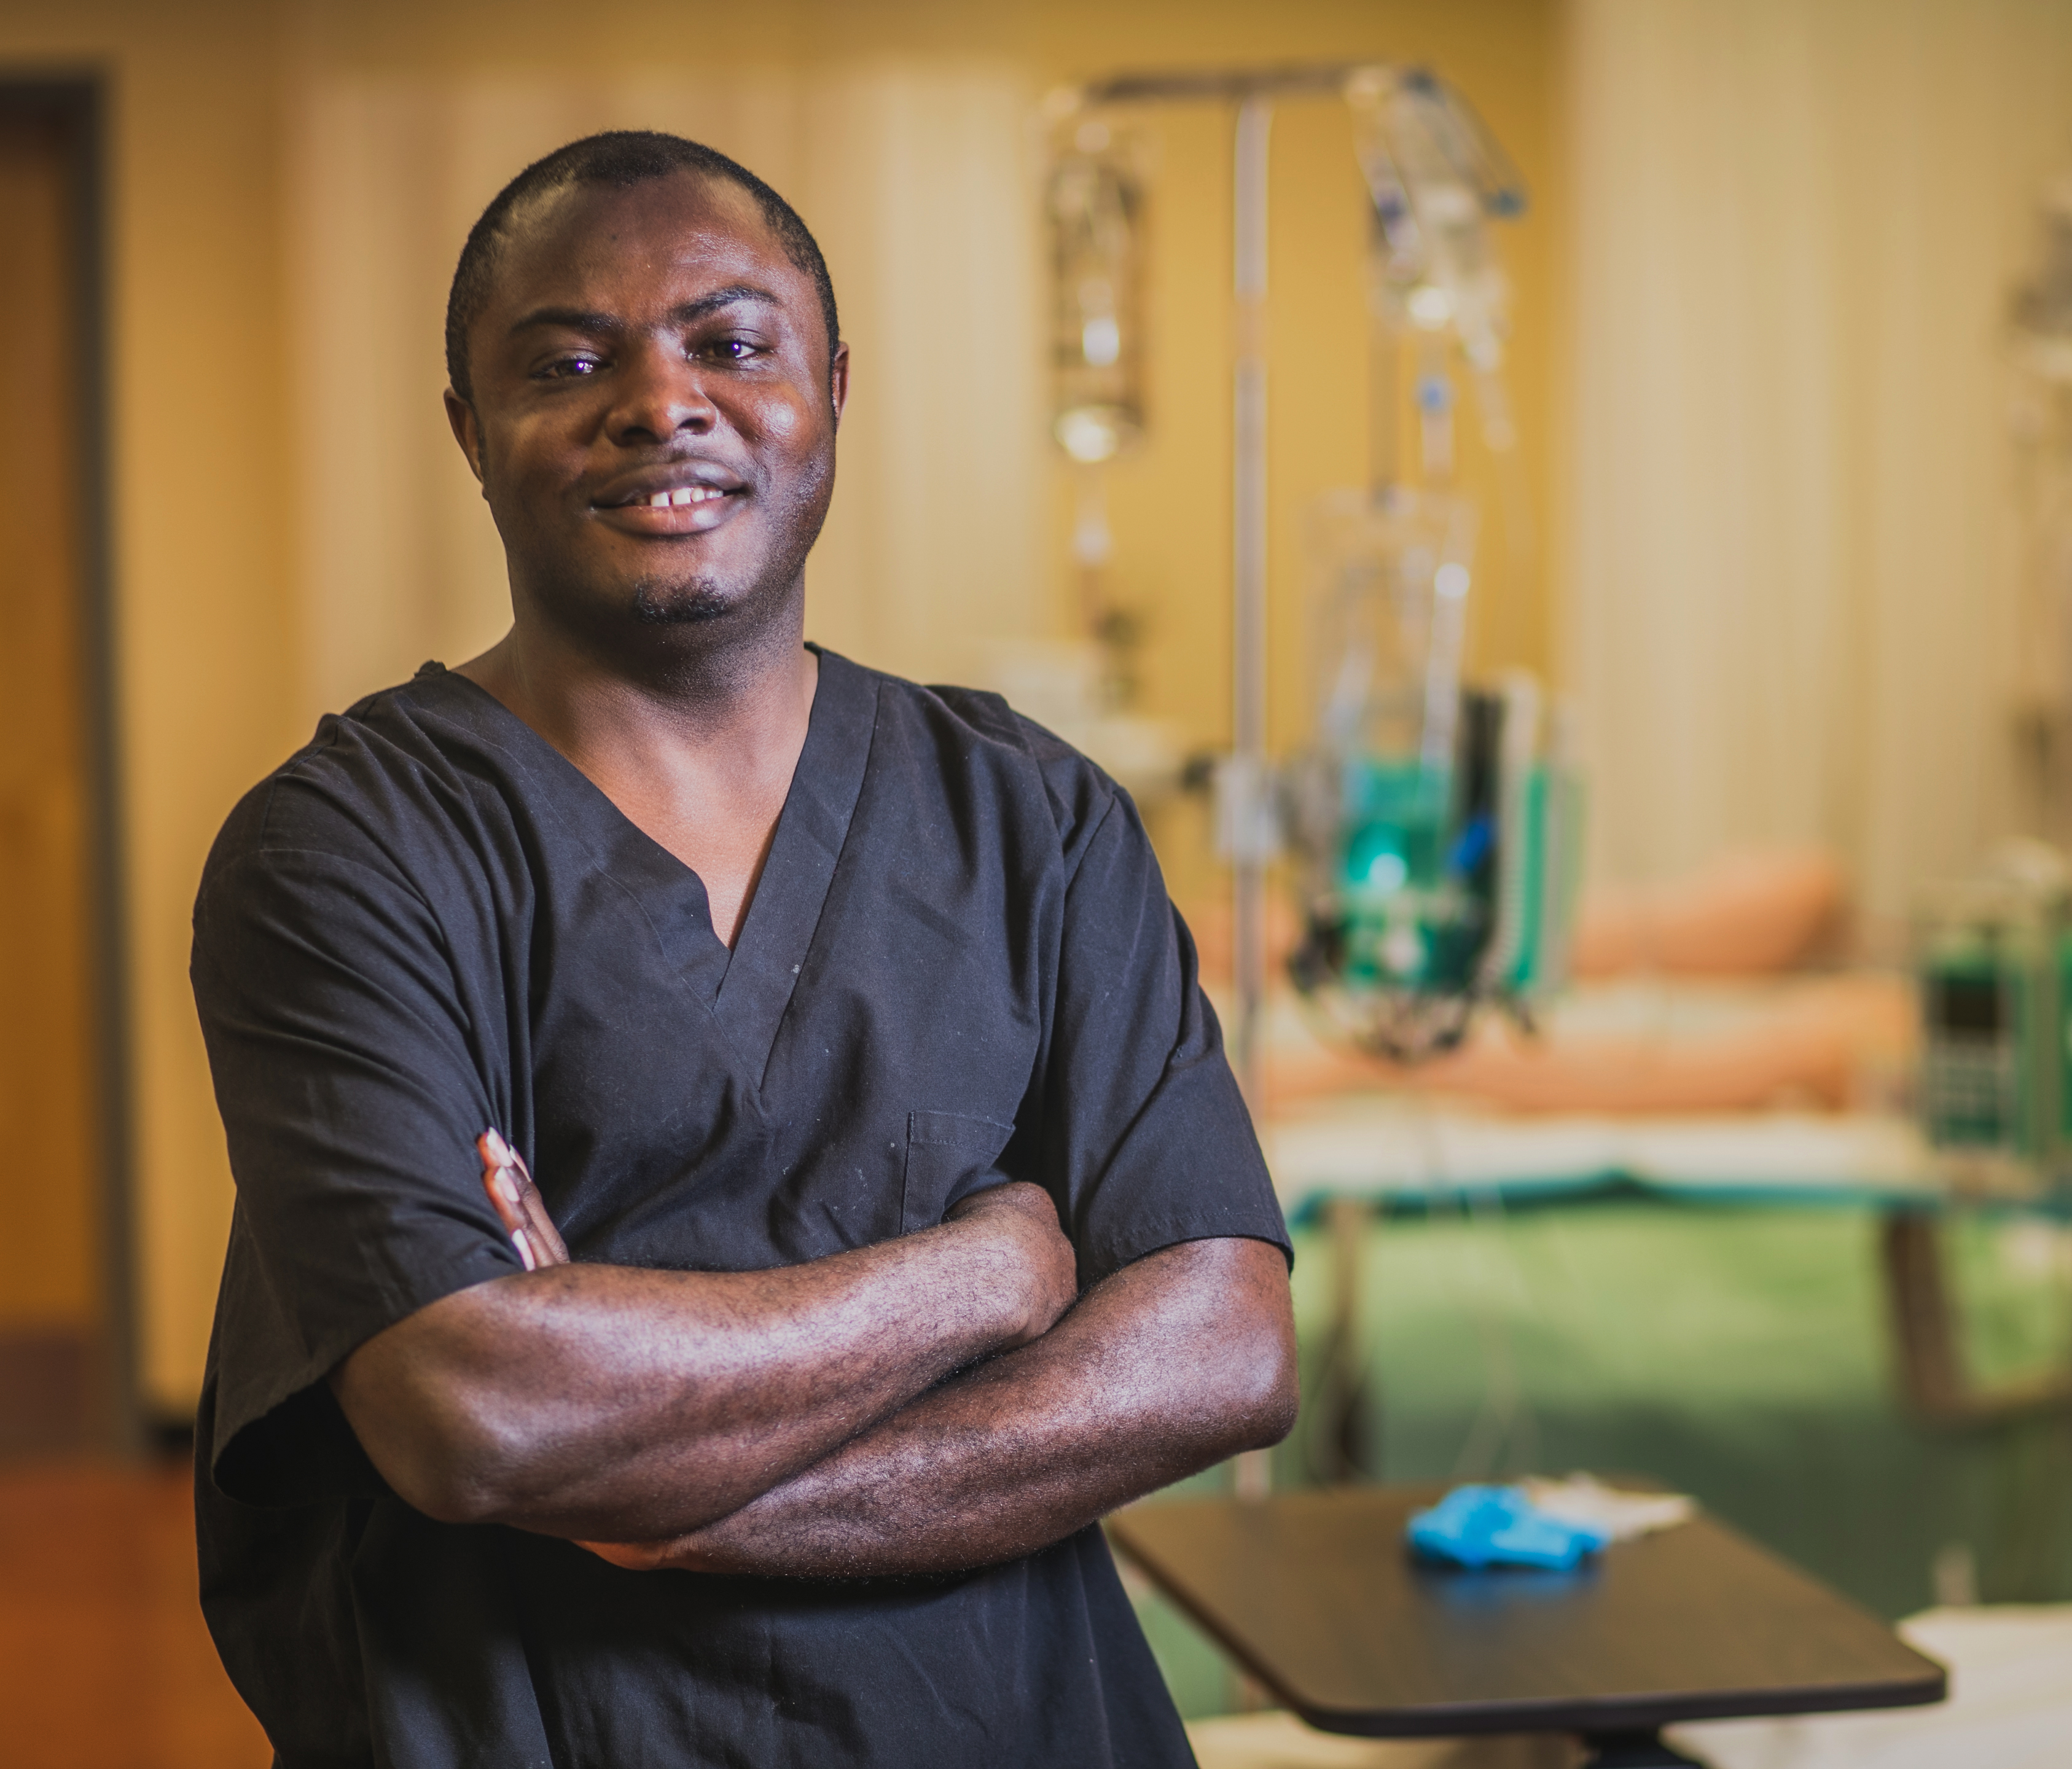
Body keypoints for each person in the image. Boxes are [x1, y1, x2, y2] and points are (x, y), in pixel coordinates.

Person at [190, 130, 1297, 1768]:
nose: (661, 401)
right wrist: (985, 1275)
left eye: (728, 342)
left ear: (832, 390)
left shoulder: (1031, 824)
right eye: (570, 360)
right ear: (469, 437)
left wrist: (680, 1509)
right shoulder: (349, 851)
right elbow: (481, 1407)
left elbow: (1223, 1345)